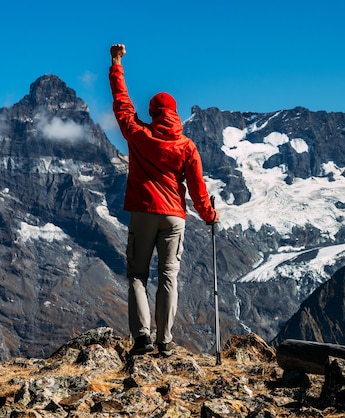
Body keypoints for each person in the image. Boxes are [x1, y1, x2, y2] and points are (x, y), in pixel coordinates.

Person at [108, 43, 220, 356]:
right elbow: (198, 188)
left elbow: (121, 103)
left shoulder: (138, 134)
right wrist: (209, 215)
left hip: (143, 212)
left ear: (154, 114)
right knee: (169, 275)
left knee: (137, 276)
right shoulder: (187, 146)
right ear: (175, 114)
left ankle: (141, 338)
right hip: (174, 216)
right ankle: (165, 340)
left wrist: (117, 63)